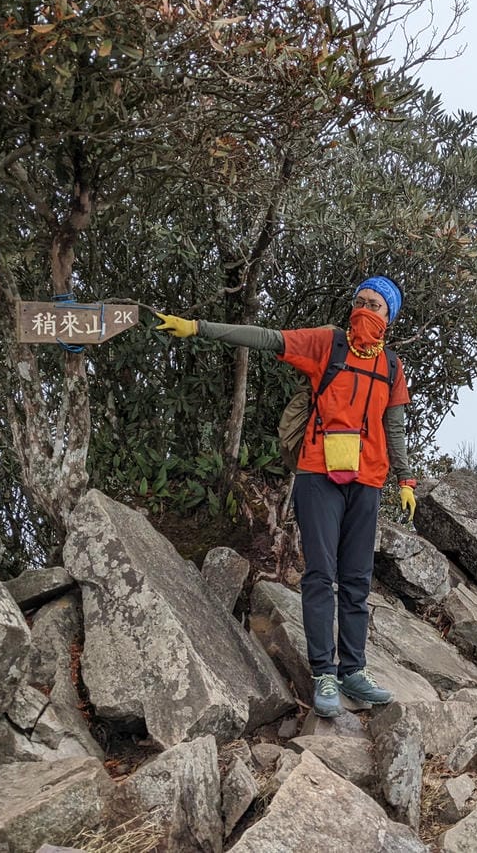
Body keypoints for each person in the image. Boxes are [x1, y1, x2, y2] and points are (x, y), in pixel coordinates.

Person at [154, 276, 417, 718]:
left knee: (356, 579)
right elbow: (266, 339)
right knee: (320, 574)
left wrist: (406, 480)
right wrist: (199, 327)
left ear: (389, 316)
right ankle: (325, 675)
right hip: (319, 474)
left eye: (375, 304)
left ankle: (353, 670)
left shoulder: (391, 366)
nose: (365, 308)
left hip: (368, 481)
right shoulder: (327, 344)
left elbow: (395, 427)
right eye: (360, 300)